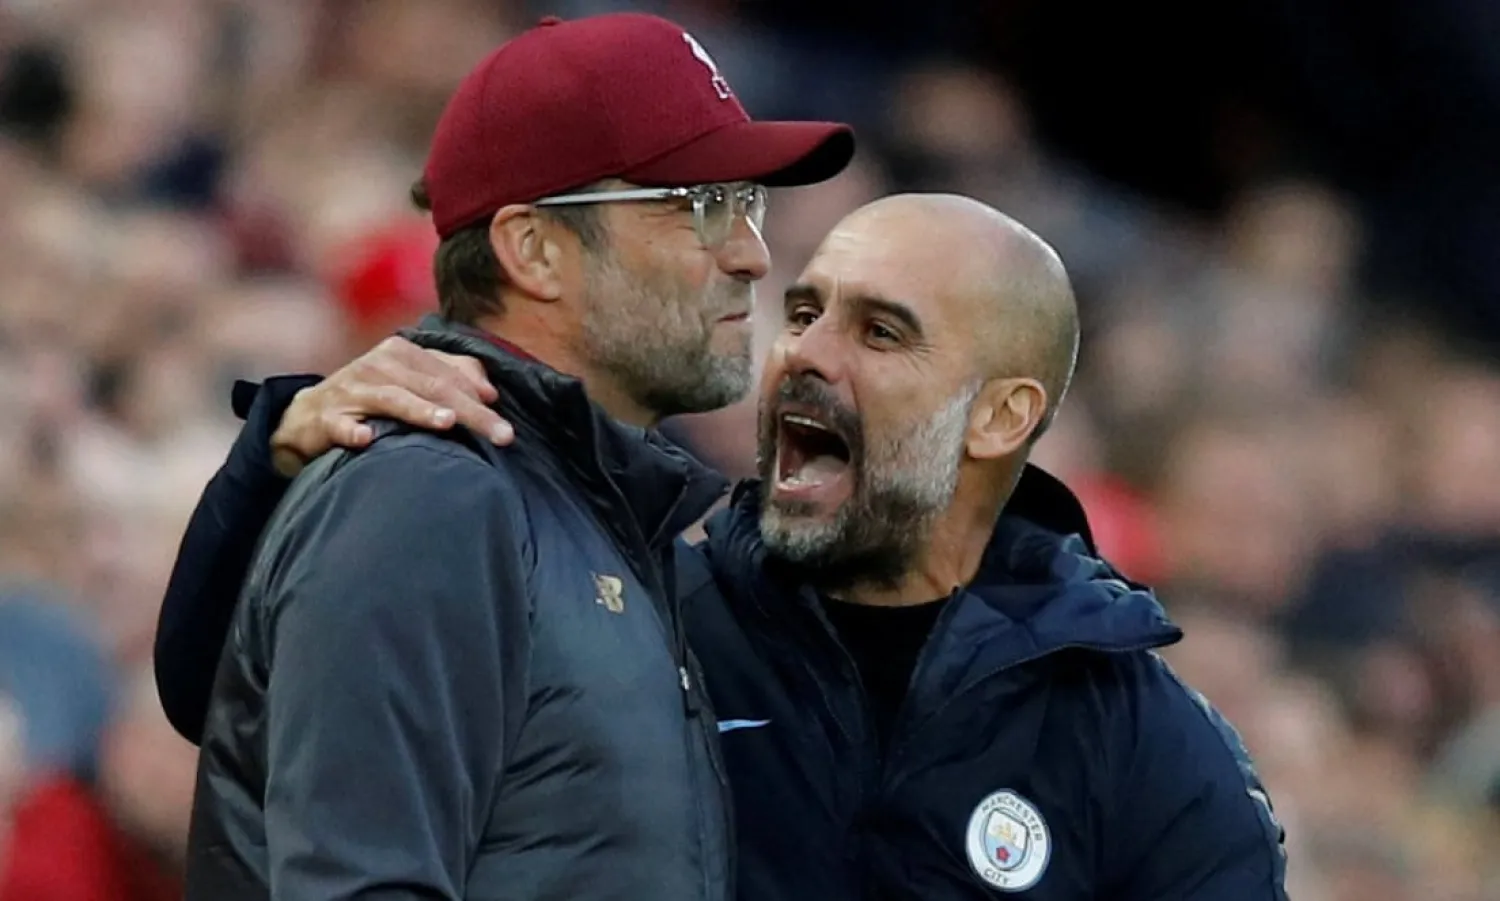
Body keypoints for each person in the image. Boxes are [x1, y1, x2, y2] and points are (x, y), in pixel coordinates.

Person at [159, 195, 1288, 900]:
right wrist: (283, 462)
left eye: (880, 331)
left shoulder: (1139, 740)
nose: (803, 355)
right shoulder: (642, 615)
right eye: (802, 313)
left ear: (999, 416)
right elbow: (238, 701)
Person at [175, 11, 855, 901]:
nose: (752, 255)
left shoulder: (597, 510)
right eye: (701, 206)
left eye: (749, 204)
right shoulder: (431, 495)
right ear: (534, 249)